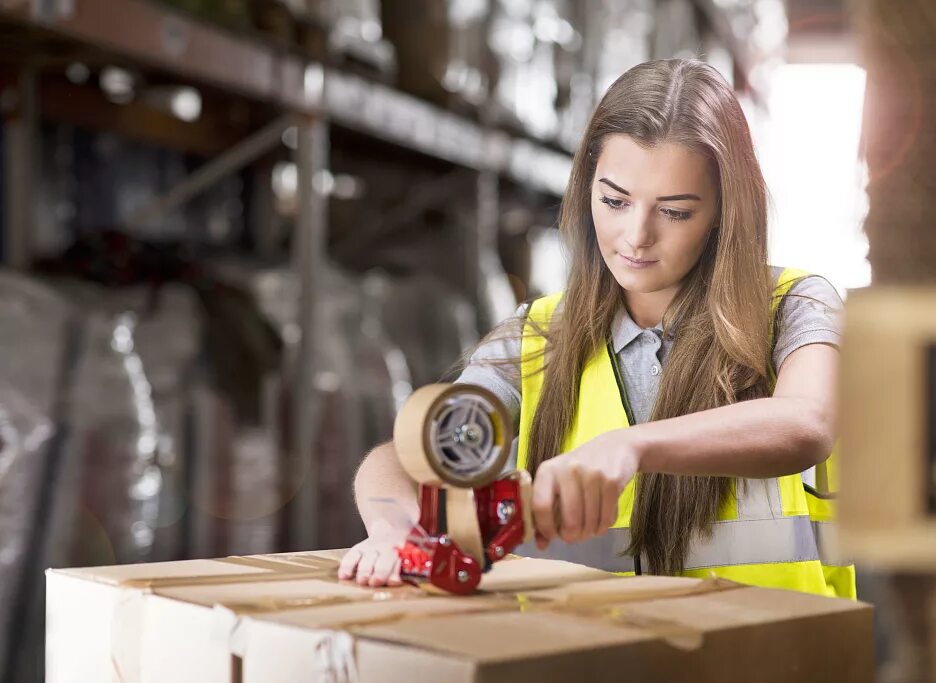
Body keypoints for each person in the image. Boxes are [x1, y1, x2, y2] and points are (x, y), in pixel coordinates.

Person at [338, 58, 856, 599]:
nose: (636, 236)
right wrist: (397, 530)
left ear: (727, 212)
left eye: (675, 212)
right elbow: (403, 456)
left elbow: (806, 423)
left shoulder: (794, 304)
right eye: (614, 200)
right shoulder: (536, 337)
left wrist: (631, 446)